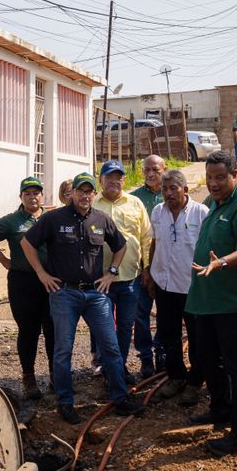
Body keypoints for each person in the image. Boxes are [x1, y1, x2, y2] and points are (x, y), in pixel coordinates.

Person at [22, 173, 147, 422]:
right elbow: (27, 243)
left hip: (95, 292)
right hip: (64, 293)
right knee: (63, 350)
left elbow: (120, 245)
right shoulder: (54, 219)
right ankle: (65, 402)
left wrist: (112, 273)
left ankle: (120, 397)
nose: (85, 195)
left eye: (89, 191)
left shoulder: (102, 219)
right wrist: (41, 273)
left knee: (110, 347)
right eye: (81, 191)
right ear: (74, 193)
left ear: (93, 194)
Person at [185, 151, 237, 457]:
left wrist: (220, 262)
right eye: (209, 178)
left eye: (221, 177)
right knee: (207, 359)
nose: (214, 183)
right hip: (209, 300)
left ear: (235, 175)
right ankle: (220, 409)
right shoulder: (213, 204)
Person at [0, 177, 53, 399]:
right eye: (28, 193)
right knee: (29, 331)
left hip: (50, 282)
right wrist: (3, 260)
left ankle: (55, 376)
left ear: (42, 196)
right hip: (23, 282)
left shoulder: (50, 219)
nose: (33, 197)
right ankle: (29, 378)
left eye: (36, 193)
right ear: (21, 197)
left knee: (53, 330)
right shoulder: (13, 221)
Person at [149, 170, 210, 403]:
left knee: (197, 337)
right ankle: (176, 377)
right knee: (168, 334)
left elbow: (208, 247)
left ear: (185, 189)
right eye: (165, 189)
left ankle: (195, 382)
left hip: (192, 286)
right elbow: (154, 243)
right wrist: (149, 272)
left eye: (173, 188)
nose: (168, 193)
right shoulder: (158, 212)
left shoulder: (201, 212)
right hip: (164, 284)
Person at [91, 160, 155, 380]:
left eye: (118, 177)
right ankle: (109, 367)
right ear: (101, 180)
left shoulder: (135, 203)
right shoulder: (92, 204)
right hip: (100, 280)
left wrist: (146, 268)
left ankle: (118, 367)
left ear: (124, 180)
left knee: (126, 326)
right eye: (109, 177)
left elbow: (146, 238)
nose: (114, 181)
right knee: (104, 328)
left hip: (131, 278)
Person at [131, 155, 168, 375]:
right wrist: (145, 268)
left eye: (155, 169)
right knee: (141, 313)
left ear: (164, 169)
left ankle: (162, 352)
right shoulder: (134, 199)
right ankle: (145, 356)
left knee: (166, 313)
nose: (151, 173)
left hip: (167, 266)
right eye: (146, 170)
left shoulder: (173, 193)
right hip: (141, 268)